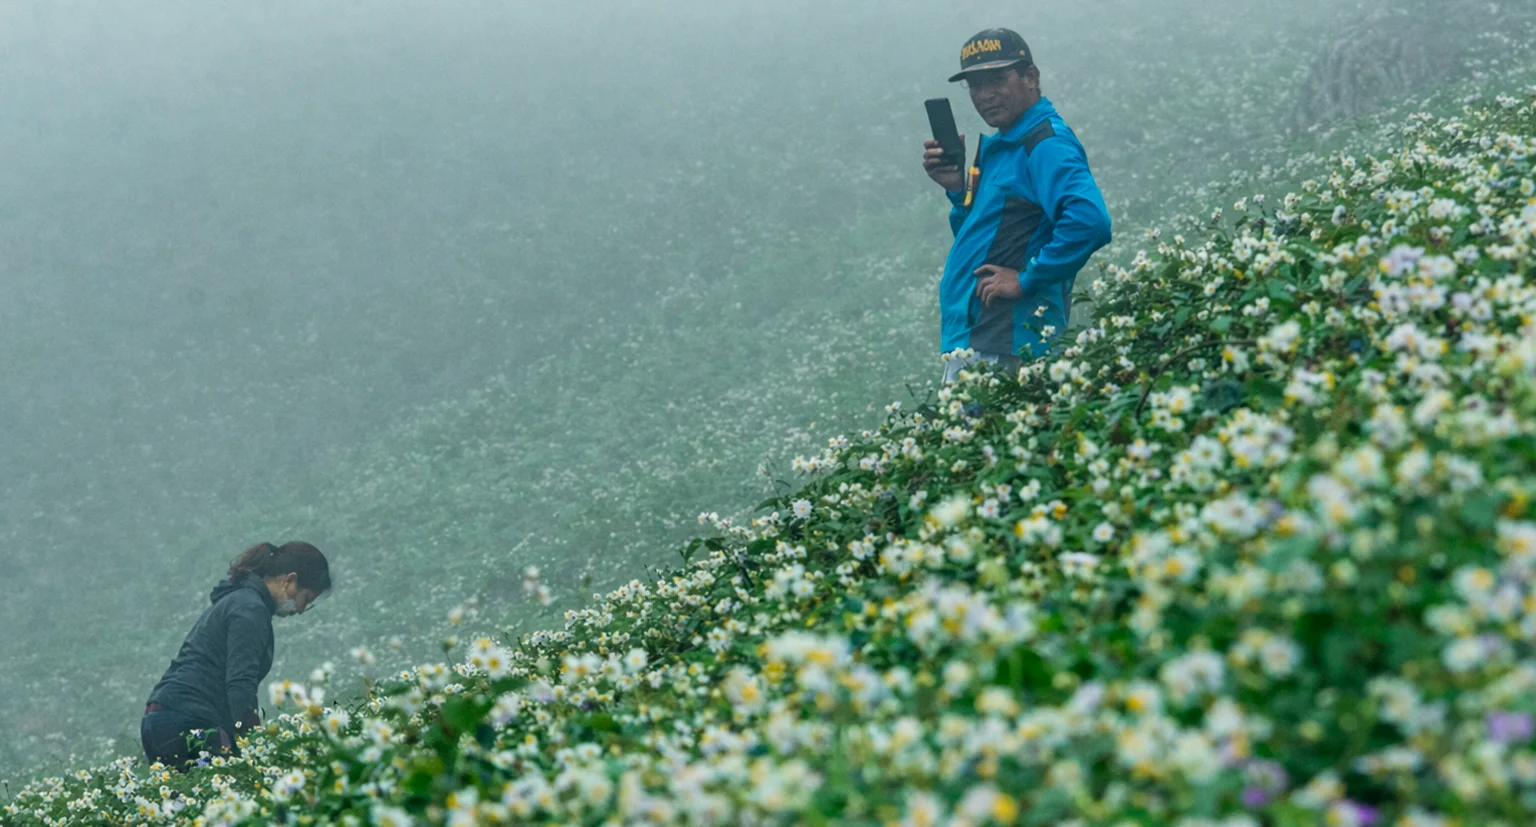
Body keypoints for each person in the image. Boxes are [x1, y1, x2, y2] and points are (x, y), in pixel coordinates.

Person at [922, 28, 1113, 384]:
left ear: (1031, 77)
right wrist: (956, 191)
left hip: (1005, 336)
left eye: (997, 79)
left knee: (973, 424)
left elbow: (1090, 222)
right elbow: (985, 240)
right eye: (975, 85)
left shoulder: (1044, 144)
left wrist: (1027, 279)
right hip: (983, 335)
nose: (985, 95)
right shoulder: (1004, 146)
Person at [141, 541, 331, 769]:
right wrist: (254, 742)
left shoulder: (237, 600)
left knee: (191, 791)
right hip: (189, 720)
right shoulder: (251, 609)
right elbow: (241, 682)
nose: (300, 610)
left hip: (160, 718)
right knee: (236, 780)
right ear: (290, 580)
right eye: (305, 599)